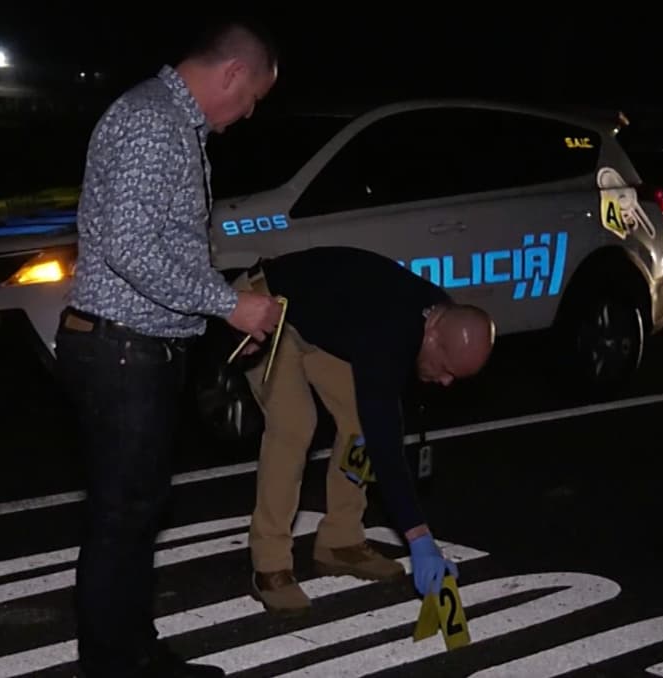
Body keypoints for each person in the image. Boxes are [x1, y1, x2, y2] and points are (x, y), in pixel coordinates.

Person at [52, 17, 283, 678]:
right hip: (125, 352)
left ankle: (135, 652)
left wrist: (215, 293)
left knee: (133, 520)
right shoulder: (155, 123)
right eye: (252, 99)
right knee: (121, 524)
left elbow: (156, 242)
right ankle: (114, 665)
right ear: (233, 73)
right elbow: (129, 249)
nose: (246, 115)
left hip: (132, 349)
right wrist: (227, 304)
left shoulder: (166, 121)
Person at [227, 246, 495, 614]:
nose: (446, 382)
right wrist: (418, 536)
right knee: (295, 424)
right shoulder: (391, 330)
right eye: (447, 369)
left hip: (322, 323)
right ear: (432, 336)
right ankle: (270, 564)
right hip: (271, 306)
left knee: (357, 423)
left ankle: (341, 540)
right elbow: (385, 433)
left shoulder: (440, 312)